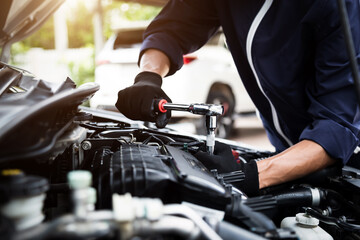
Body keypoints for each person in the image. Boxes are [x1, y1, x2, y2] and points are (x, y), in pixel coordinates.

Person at [116, 0, 360, 196]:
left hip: (349, 166)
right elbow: (172, 29)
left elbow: (336, 127)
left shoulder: (340, 6)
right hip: (290, 154)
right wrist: (149, 76)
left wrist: (251, 174)